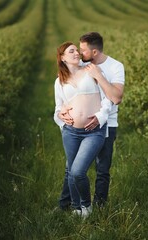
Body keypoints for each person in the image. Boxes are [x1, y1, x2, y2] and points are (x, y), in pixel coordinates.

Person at [58, 32, 125, 209]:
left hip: (107, 123)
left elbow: (116, 98)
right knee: (71, 169)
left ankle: (100, 206)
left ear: (94, 52)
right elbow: (67, 85)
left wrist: (99, 76)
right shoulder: (82, 65)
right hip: (77, 129)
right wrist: (62, 113)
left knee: (102, 169)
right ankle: (67, 204)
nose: (79, 54)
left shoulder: (115, 67)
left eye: (83, 50)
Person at [53, 41, 113, 218]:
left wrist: (101, 117)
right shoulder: (60, 81)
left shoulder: (91, 70)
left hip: (94, 131)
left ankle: (86, 207)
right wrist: (62, 120)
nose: (76, 53)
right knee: (72, 172)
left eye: (77, 50)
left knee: (78, 171)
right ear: (62, 58)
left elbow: (107, 98)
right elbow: (58, 108)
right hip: (71, 132)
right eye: (71, 51)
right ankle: (77, 208)